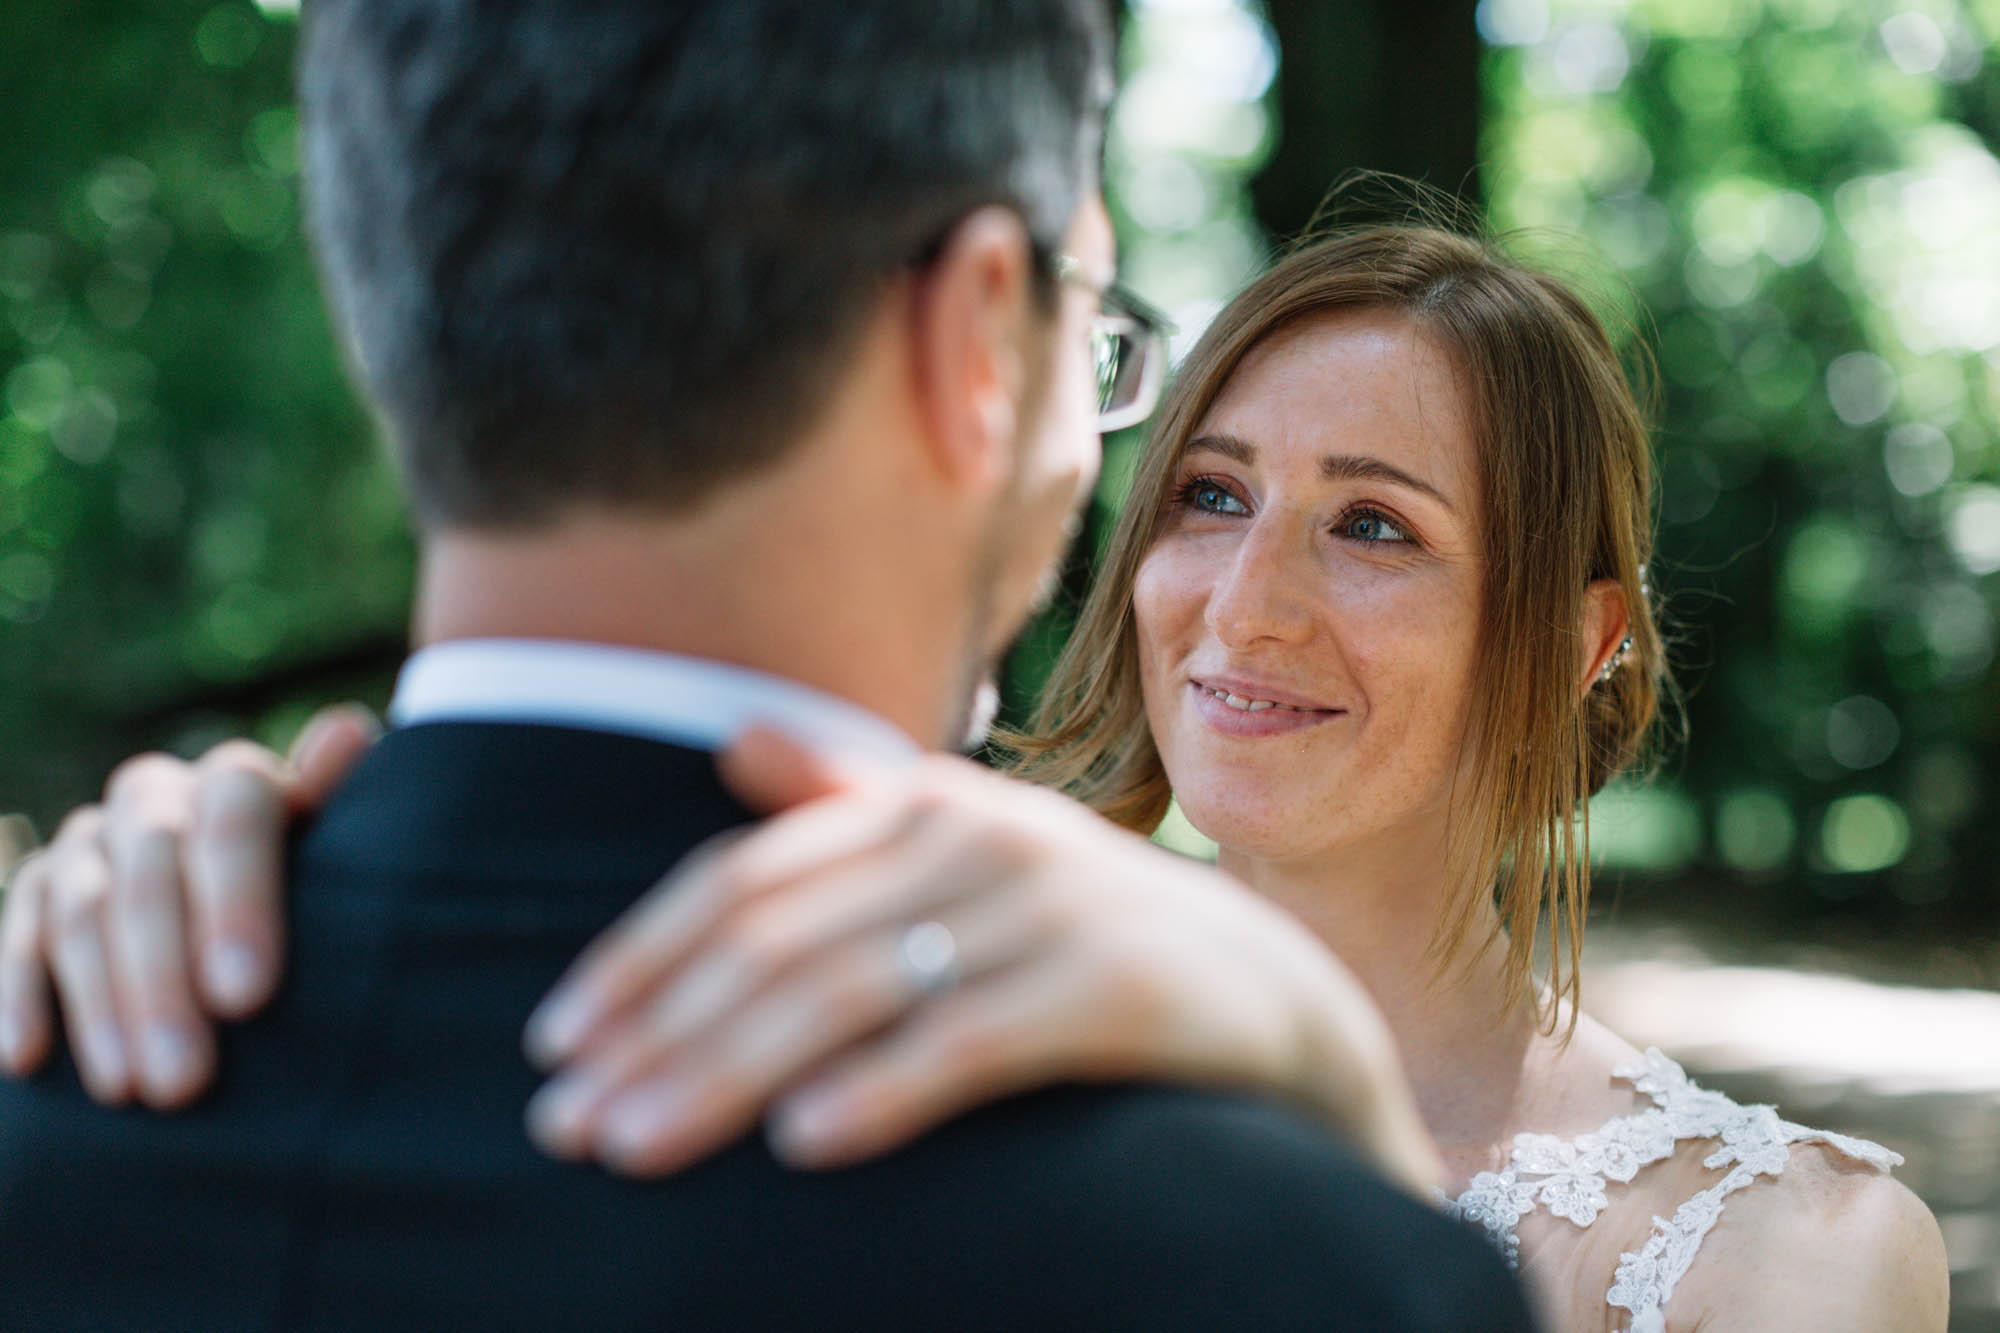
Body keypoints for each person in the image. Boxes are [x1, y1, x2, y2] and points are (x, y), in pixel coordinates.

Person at [13, 215, 1955, 1330]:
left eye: (1372, 527)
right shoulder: (881, 986)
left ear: (1574, 636)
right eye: (1207, 494)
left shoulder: (1785, 1254)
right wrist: (207, 869)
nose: (1239, 606)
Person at [0, 1, 1539, 1330]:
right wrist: (1336, 1110)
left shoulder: (60, 1075)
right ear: (983, 338)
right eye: (1092, 331)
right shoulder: (1269, 1263)